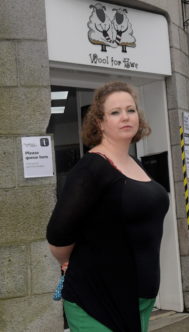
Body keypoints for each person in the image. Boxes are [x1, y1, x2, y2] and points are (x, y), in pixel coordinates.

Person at [46, 81, 170, 332]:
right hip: (97, 299)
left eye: (131, 110)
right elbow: (58, 237)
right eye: (115, 112)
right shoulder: (90, 169)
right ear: (100, 122)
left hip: (139, 299)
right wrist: (71, 261)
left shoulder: (134, 162)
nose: (125, 117)